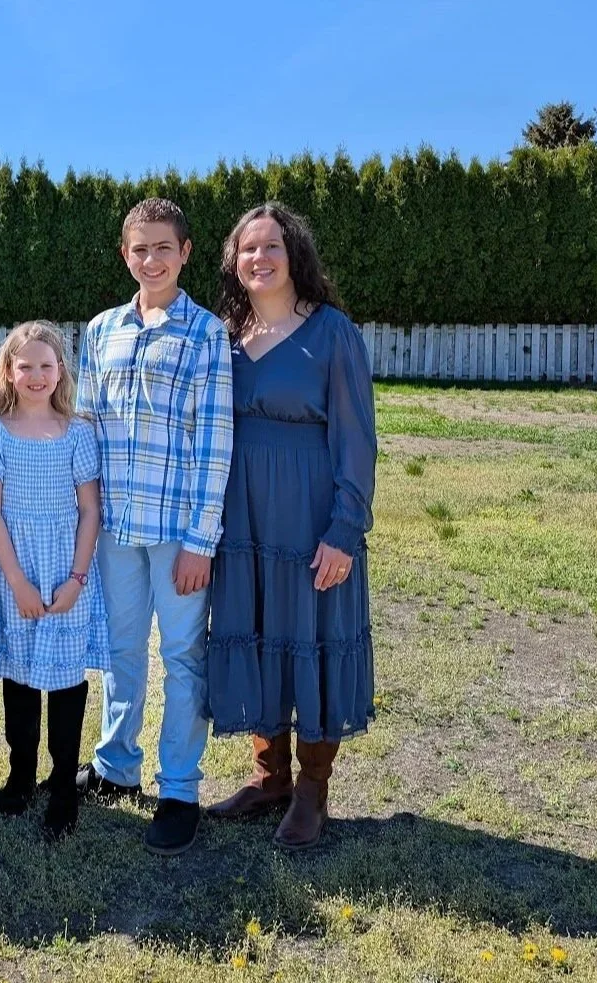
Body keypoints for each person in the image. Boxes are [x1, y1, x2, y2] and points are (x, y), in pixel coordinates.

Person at [204, 202, 376, 850]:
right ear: (234, 259)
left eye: (271, 246)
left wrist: (345, 529)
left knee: (315, 641)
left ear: (294, 253)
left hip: (308, 516)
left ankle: (311, 790)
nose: (259, 258)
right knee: (254, 635)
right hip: (241, 516)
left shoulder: (334, 334)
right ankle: (268, 775)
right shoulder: (223, 334)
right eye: (247, 249)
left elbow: (358, 440)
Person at [75, 197, 234, 856]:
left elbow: (216, 439)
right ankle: (116, 764)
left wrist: (201, 539)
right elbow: (84, 428)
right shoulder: (101, 329)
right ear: (125, 254)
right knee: (120, 651)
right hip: (115, 526)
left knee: (182, 655)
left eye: (163, 247)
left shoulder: (206, 333)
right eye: (140, 249)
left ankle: (178, 788)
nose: (151, 259)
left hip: (176, 531)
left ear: (186, 252)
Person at [0, 321, 107, 839]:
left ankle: (63, 784)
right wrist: (17, 583)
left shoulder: (77, 432)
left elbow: (90, 511)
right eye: (24, 365)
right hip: (14, 574)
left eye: (46, 365)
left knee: (68, 679)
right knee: (21, 679)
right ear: (8, 371)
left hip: (67, 572)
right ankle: (22, 774)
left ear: (60, 372)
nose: (35, 375)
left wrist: (75, 578)